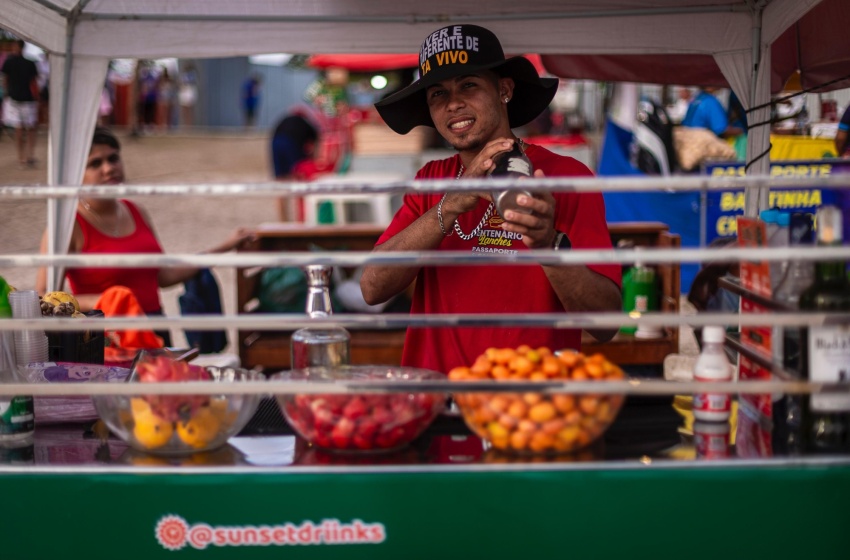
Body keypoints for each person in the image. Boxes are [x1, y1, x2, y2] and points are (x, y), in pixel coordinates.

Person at [361, 24, 622, 373]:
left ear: (504, 89)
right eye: (438, 93)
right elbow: (372, 287)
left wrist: (547, 245)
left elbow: (606, 324)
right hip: (436, 396)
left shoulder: (565, 177)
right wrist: (451, 204)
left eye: (468, 85)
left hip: (529, 398)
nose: (453, 103)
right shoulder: (431, 180)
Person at [36, 127, 255, 345]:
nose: (109, 168)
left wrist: (224, 247)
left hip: (156, 329)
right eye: (95, 164)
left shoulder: (135, 210)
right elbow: (44, 295)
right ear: (76, 175)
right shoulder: (67, 226)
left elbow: (162, 275)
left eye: (113, 158)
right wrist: (105, 301)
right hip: (109, 338)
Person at [270, 109, 323, 221]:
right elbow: (314, 149)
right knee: (299, 179)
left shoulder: (284, 120)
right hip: (291, 143)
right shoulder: (307, 125)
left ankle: (283, 220)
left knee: (280, 182)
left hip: (276, 142)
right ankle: (300, 219)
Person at [1, 39, 39, 167]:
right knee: (30, 128)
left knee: (18, 128)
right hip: (28, 99)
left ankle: (21, 157)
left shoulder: (9, 62)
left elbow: (5, 80)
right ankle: (30, 155)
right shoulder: (30, 63)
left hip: (14, 98)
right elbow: (33, 82)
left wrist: (6, 93)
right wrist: (37, 97)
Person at [178, 64, 199, 128]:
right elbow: (180, 83)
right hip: (183, 92)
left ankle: (189, 125)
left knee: (189, 109)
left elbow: (192, 82)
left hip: (189, 92)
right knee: (184, 110)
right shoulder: (183, 75)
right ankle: (185, 124)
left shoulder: (192, 74)